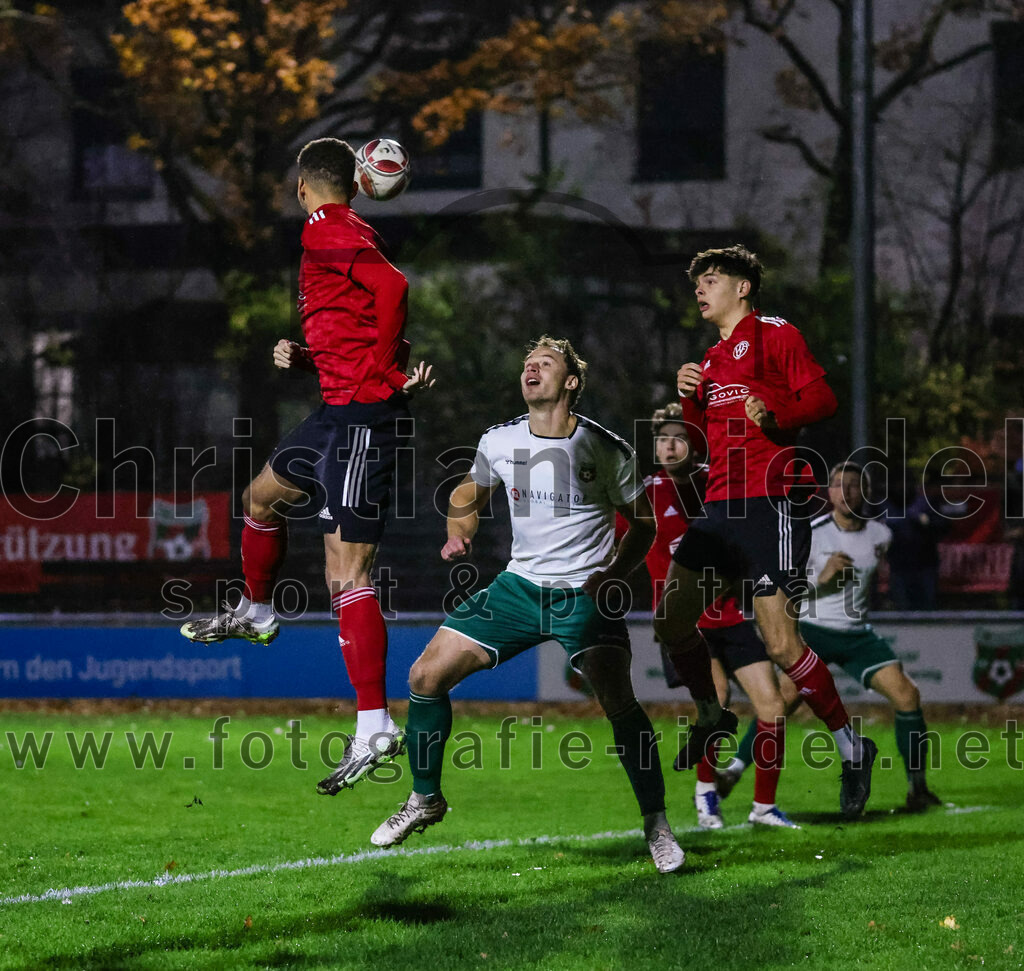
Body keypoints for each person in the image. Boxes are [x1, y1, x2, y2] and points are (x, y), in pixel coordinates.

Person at [370, 336, 687, 874]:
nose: (530, 369)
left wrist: (612, 574)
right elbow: (467, 493)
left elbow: (645, 525)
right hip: (518, 588)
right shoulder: (499, 440)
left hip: (582, 595)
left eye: (545, 363)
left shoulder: (605, 448)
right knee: (425, 676)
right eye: (526, 363)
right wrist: (459, 531)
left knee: (619, 704)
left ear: (570, 382)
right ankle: (425, 798)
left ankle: (657, 825)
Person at [180, 138, 434, 793]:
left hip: (361, 419)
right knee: (259, 497)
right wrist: (315, 357)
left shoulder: (327, 230)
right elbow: (361, 320)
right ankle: (258, 610)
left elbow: (393, 287)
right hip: (333, 410)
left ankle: (374, 723)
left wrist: (380, 374)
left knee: (346, 572)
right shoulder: (348, 229)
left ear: (302, 186)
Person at [653, 244, 879, 820]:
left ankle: (853, 749)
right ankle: (711, 713)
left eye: (711, 279)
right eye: (697, 282)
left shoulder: (775, 333)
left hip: (771, 501)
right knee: (671, 616)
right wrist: (688, 398)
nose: (700, 290)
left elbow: (823, 397)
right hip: (720, 505)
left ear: (743, 287)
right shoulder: (709, 360)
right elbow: (699, 444)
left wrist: (776, 415)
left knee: (780, 644)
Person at [640, 404, 796, 829]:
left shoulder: (718, 484)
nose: (669, 445)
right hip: (687, 623)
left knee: (773, 706)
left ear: (694, 445)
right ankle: (705, 793)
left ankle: (764, 807)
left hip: (731, 615)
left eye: (679, 438)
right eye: (662, 439)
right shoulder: (643, 494)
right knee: (719, 700)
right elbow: (613, 542)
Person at [800, 462, 941, 811]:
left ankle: (917, 789)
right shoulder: (811, 533)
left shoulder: (881, 535)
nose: (846, 492)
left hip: (856, 635)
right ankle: (735, 775)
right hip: (811, 630)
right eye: (838, 485)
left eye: (854, 485)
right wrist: (822, 581)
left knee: (907, 695)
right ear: (828, 493)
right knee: (778, 704)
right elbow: (785, 591)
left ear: (866, 493)